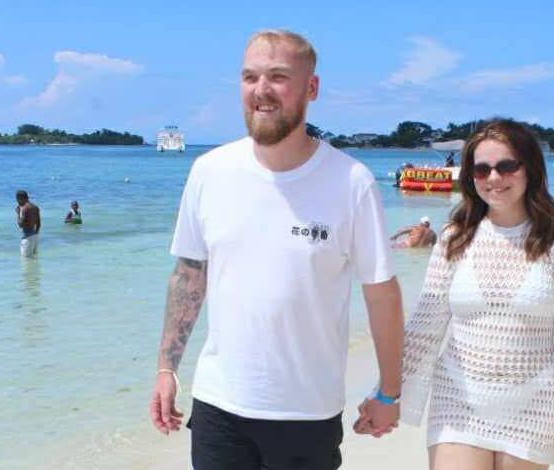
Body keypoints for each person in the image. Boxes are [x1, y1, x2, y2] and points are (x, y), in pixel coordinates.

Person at [149, 30, 404, 470]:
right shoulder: (209, 171)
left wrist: (390, 391)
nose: (261, 90)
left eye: (278, 77)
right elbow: (190, 274)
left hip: (307, 413)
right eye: (250, 77)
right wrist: (166, 370)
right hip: (218, 407)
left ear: (312, 88)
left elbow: (381, 293)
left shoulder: (351, 182)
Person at [360, 120, 554, 469]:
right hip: (458, 402)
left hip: (532, 406)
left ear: (529, 167)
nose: (494, 178)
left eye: (506, 166)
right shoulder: (456, 237)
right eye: (481, 169)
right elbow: (427, 325)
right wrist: (387, 394)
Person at [15, 190, 40, 258]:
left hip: (27, 237)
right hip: (35, 236)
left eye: (17, 199)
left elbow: (20, 224)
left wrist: (18, 213)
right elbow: (38, 223)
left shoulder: (24, 208)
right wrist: (35, 234)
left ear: (20, 198)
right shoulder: (35, 207)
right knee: (34, 259)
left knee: (25, 261)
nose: (17, 201)